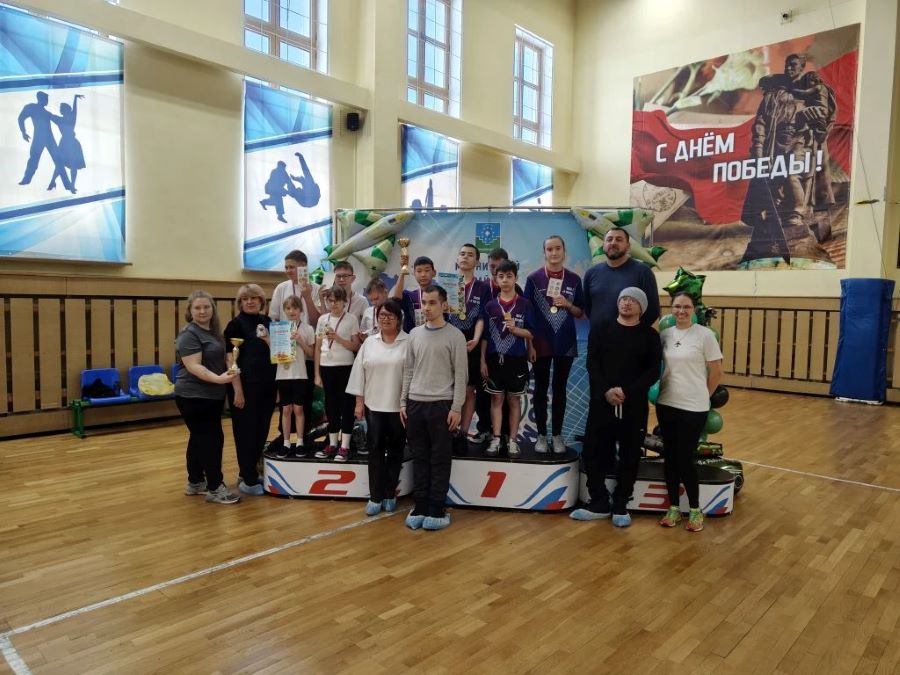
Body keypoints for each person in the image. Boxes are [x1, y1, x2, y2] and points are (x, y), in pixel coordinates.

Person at [571, 287, 661, 527]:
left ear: (641, 307)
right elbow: (592, 362)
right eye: (623, 299)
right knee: (593, 451)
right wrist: (606, 391)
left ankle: (621, 504)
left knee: (630, 454)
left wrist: (627, 392)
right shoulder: (601, 329)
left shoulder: (650, 336)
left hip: (634, 405)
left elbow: (653, 371)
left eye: (632, 300)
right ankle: (598, 502)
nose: (627, 303)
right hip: (602, 402)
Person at [400, 284, 467, 531]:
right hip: (415, 404)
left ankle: (437, 509)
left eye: (432, 303)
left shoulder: (455, 336)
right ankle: (420, 506)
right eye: (423, 303)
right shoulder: (414, 334)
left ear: (444, 305)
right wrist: (403, 401)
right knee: (420, 457)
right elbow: (408, 370)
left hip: (442, 406)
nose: (426, 308)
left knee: (440, 458)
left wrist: (456, 407)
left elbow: (460, 375)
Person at [656, 291, 723, 533]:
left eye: (686, 307)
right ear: (671, 309)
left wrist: (703, 395)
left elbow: (716, 371)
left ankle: (695, 509)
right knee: (670, 458)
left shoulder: (704, 335)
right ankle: (673, 507)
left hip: (693, 407)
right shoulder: (664, 335)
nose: (681, 311)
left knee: (685, 458)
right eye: (677, 306)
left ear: (693, 310)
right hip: (666, 403)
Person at [175, 290, 240, 504]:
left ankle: (195, 482)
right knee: (211, 440)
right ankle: (215, 488)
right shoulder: (189, 334)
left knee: (199, 437)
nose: (202, 311)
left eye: (206, 307)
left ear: (212, 309)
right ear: (190, 311)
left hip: (212, 395)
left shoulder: (212, 332)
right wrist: (220, 379)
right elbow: (194, 366)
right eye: (197, 308)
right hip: (193, 395)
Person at [347, 299, 409, 516]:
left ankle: (390, 494)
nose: (386, 319)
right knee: (375, 451)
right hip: (374, 406)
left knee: (396, 451)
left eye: (390, 315)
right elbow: (359, 374)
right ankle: (375, 496)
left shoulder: (409, 342)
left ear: (399, 319)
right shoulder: (369, 343)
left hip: (399, 408)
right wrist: (359, 403)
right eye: (382, 315)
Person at [524, 235, 585, 454]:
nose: (554, 253)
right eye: (549, 249)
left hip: (565, 341)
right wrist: (530, 344)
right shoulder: (533, 279)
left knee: (560, 389)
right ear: (544, 253)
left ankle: (557, 435)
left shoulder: (574, 279)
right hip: (540, 341)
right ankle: (541, 435)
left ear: (564, 251)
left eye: (558, 248)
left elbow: (580, 312)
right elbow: (526, 314)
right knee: (540, 389)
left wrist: (567, 304)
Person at [224, 284, 277, 496]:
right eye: (245, 299)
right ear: (240, 302)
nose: (250, 302)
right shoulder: (235, 325)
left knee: (261, 430)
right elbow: (231, 360)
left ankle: (249, 472)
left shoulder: (268, 322)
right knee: (246, 432)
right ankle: (248, 478)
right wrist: (237, 390)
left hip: (267, 385)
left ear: (261, 301)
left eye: (254, 298)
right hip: (244, 387)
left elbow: (279, 353)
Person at [480, 260, 534, 458]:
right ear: (495, 279)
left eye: (509, 276)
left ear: (515, 278)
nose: (505, 280)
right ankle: (496, 439)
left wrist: (516, 330)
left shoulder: (525, 304)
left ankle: (512, 440)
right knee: (496, 399)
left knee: (514, 400)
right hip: (494, 360)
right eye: (501, 276)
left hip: (516, 360)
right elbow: (485, 337)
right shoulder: (490, 306)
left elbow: (531, 333)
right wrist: (482, 361)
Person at [270, 249, 321, 445]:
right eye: (286, 267)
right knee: (286, 403)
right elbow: (274, 318)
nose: (288, 270)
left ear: (303, 267)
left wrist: (307, 296)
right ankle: (284, 438)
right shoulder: (281, 288)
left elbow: (317, 321)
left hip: (307, 347)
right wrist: (279, 342)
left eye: (292, 267)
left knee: (303, 400)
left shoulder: (315, 288)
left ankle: (303, 437)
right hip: (285, 351)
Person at [447, 243, 490, 444]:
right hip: (449, 341)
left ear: (477, 262)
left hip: (472, 340)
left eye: (470, 255)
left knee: (469, 389)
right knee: (449, 388)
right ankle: (449, 430)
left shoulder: (483, 287)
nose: (465, 257)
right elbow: (442, 315)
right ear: (457, 259)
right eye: (462, 254)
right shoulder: (448, 284)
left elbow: (482, 317)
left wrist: (476, 339)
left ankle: (463, 433)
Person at [314, 286, 361, 461]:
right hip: (327, 367)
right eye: (330, 301)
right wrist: (317, 374)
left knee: (347, 406)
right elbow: (317, 348)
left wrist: (338, 339)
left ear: (344, 302)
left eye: (337, 301)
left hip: (345, 367)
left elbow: (356, 346)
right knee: (330, 406)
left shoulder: (351, 319)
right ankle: (333, 444)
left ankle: (345, 446)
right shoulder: (322, 319)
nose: (333, 304)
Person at [583, 228, 660, 331]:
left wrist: (633, 332)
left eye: (619, 239)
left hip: (631, 338)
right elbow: (588, 309)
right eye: (609, 239)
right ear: (603, 245)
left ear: (628, 246)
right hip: (597, 338)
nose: (613, 243)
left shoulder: (643, 272)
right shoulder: (591, 273)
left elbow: (653, 310)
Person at [274, 295, 316, 459]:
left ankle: (299, 442)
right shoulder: (279, 328)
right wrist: (266, 339)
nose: (292, 311)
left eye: (295, 308)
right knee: (286, 409)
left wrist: (300, 341)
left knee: (298, 409)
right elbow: (275, 351)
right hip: (283, 373)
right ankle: (286, 442)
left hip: (300, 374)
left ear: (300, 310)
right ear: (284, 310)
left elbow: (312, 353)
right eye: (288, 308)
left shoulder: (308, 329)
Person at [17, 91, 73, 191]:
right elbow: (21, 118)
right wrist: (23, 132)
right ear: (41, 99)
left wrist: (69, 118)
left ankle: (67, 184)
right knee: (34, 160)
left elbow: (59, 120)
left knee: (58, 161)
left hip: (49, 139)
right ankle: (26, 179)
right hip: (39, 138)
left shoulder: (46, 113)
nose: (47, 101)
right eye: (46, 99)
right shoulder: (32, 107)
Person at [47, 94, 85, 193]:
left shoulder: (67, 119)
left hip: (70, 144)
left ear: (65, 110)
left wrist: (75, 99)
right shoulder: (63, 119)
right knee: (61, 165)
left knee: (71, 166)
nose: (60, 109)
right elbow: (49, 115)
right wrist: (75, 98)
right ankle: (53, 181)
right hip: (66, 144)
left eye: (61, 108)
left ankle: (71, 185)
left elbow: (74, 110)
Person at [391, 255, 437, 333]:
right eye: (419, 271)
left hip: (435, 336)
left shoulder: (440, 296)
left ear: (434, 273)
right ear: (414, 274)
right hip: (412, 337)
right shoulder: (409, 296)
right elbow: (396, 299)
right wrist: (403, 270)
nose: (423, 274)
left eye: (427, 270)